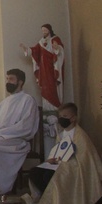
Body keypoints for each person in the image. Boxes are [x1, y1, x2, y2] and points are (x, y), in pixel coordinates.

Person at [23, 103, 102, 204]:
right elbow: (57, 152)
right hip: (59, 165)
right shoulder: (61, 134)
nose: (62, 118)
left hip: (74, 170)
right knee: (35, 173)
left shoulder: (81, 136)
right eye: (60, 116)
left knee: (49, 177)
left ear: (73, 118)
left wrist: (65, 163)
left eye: (65, 116)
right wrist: (52, 159)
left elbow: (84, 159)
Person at [20, 23, 64, 155]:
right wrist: (26, 48)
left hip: (51, 72)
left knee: (52, 92)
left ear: (50, 30)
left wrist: (57, 49)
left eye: (45, 30)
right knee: (45, 91)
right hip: (44, 73)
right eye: (42, 30)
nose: (44, 32)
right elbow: (34, 51)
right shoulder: (41, 42)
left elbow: (60, 52)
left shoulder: (55, 40)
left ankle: (53, 116)